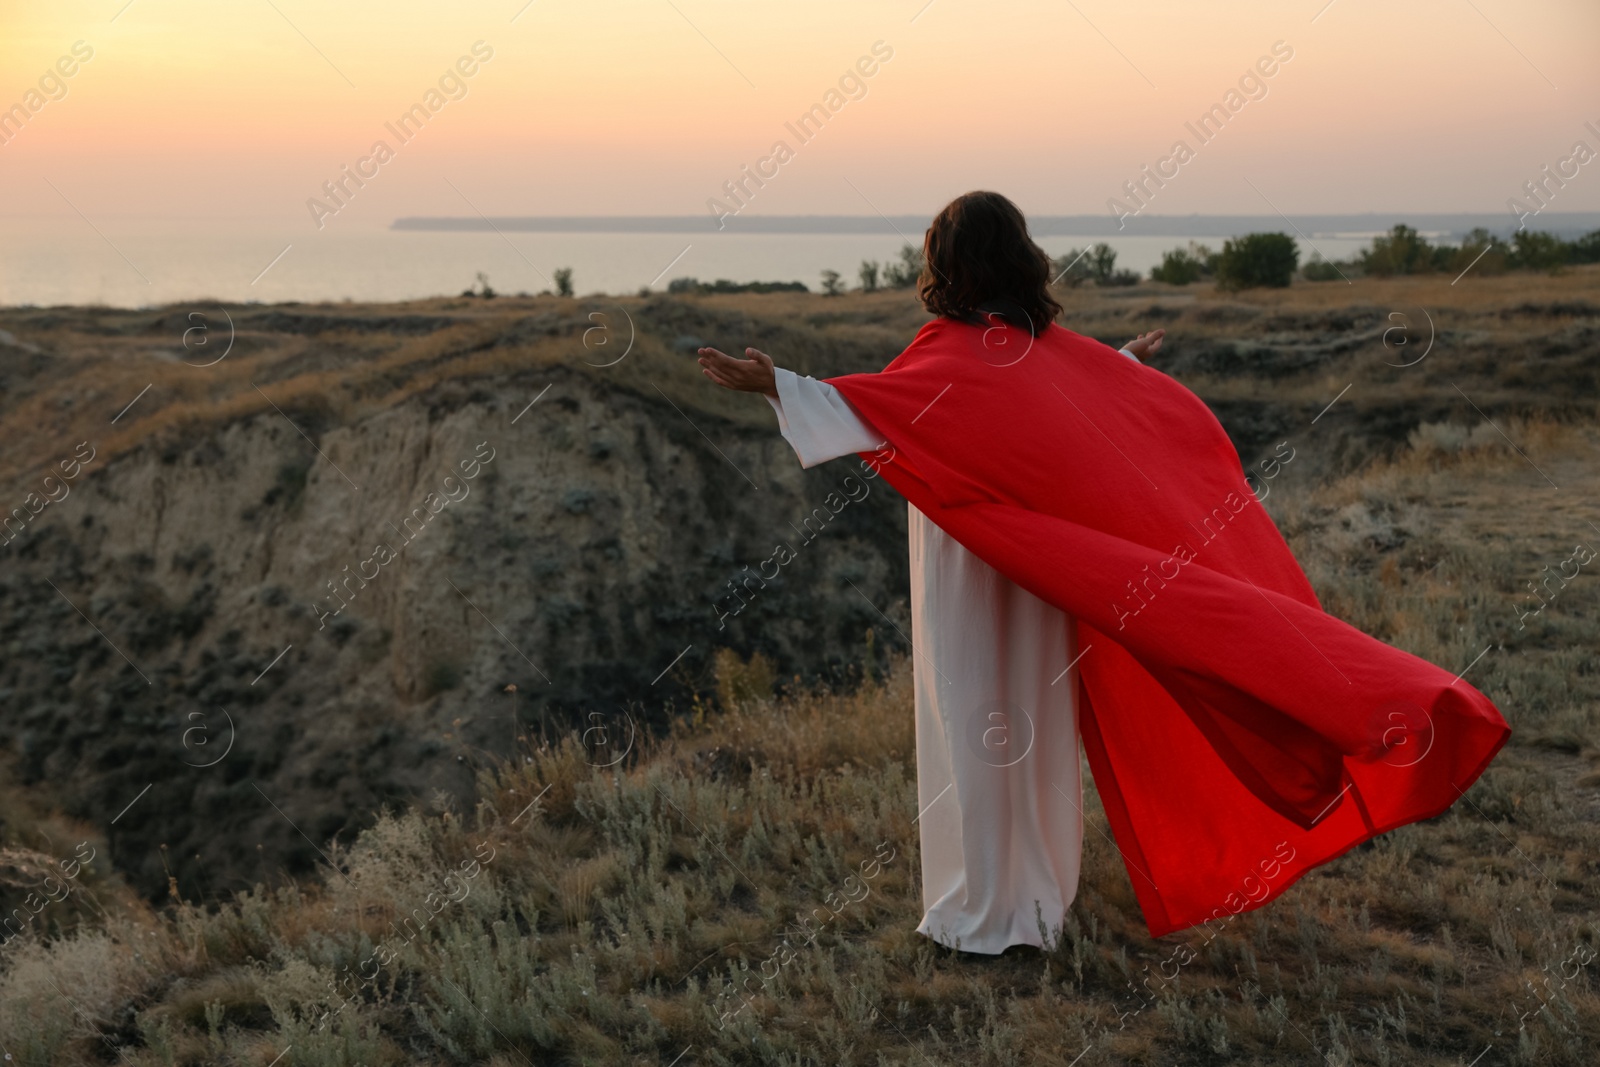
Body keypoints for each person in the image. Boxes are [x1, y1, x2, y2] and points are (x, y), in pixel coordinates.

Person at [696, 191, 1509, 946]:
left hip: (974, 577)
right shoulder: (1046, 350)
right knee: (1034, 726)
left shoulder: (950, 352)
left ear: (944, 265)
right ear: (1021, 258)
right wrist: (1126, 365)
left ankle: (987, 909)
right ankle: (1036, 899)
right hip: (1041, 586)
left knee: (975, 723)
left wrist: (780, 385)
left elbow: (871, 410)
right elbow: (1058, 413)